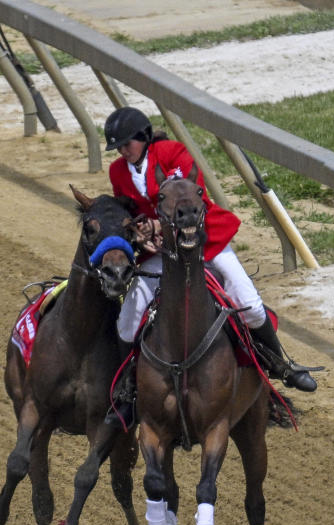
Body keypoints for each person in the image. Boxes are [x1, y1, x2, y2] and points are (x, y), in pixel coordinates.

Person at [102, 106, 318, 426]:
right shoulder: (118, 172)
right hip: (164, 252)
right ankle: (127, 390)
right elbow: (131, 210)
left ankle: (281, 364)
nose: (122, 151)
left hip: (204, 239)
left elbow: (188, 199)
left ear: (144, 138)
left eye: (126, 144)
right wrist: (139, 232)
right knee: (127, 318)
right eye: (117, 147)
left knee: (250, 305)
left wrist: (157, 225)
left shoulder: (173, 152)